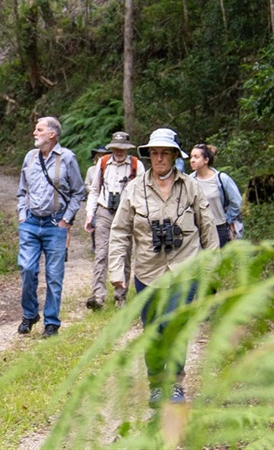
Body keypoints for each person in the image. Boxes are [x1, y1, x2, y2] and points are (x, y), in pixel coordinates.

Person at [107, 128, 219, 407]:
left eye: (164, 153)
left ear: (173, 156)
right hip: (148, 271)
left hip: (185, 268)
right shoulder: (134, 189)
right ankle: (156, 382)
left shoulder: (191, 187)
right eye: (154, 153)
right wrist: (116, 271)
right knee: (153, 330)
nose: (159, 158)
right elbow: (119, 232)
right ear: (148, 156)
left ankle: (176, 383)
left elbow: (208, 228)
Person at [16, 117, 85, 338]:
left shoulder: (67, 158)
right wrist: (22, 215)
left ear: (52, 134)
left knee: (54, 275)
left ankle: (52, 323)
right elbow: (21, 190)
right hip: (31, 221)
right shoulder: (30, 157)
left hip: (55, 223)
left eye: (39, 129)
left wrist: (66, 218)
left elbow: (79, 191)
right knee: (27, 269)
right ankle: (30, 314)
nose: (34, 133)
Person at [84, 132, 146, 310]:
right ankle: (98, 296)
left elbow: (143, 191)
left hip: (126, 213)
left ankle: (121, 296)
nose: (119, 152)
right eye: (116, 148)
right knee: (101, 253)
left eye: (122, 148)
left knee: (124, 254)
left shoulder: (136, 165)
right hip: (104, 211)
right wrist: (90, 214)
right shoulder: (103, 163)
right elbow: (94, 190)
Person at [189, 143, 243, 247]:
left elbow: (236, 202)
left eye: (196, 157)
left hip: (220, 228)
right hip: (199, 230)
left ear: (206, 160)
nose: (192, 160)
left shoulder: (221, 179)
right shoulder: (190, 181)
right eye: (191, 157)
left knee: (221, 261)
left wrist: (227, 219)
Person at [83, 146, 111, 255]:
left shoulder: (110, 169)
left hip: (106, 200)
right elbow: (87, 184)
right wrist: (93, 190)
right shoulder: (91, 170)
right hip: (95, 199)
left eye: (103, 154)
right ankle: (95, 245)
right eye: (99, 154)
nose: (101, 156)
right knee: (93, 222)